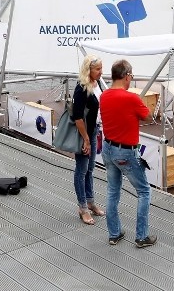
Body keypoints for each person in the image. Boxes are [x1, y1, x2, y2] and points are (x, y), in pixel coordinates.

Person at [99, 59, 156, 248]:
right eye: (131, 76)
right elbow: (148, 117)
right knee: (144, 191)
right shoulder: (131, 98)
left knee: (113, 191)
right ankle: (141, 236)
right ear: (127, 76)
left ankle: (114, 233)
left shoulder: (104, 95)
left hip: (107, 148)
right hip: (125, 152)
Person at [71, 55, 105, 225]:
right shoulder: (81, 88)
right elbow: (77, 117)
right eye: (97, 69)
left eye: (101, 68)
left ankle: (90, 201)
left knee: (90, 168)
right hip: (83, 134)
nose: (101, 71)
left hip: (94, 131)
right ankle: (82, 207)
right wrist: (86, 139)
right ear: (88, 70)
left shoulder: (96, 83)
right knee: (82, 169)